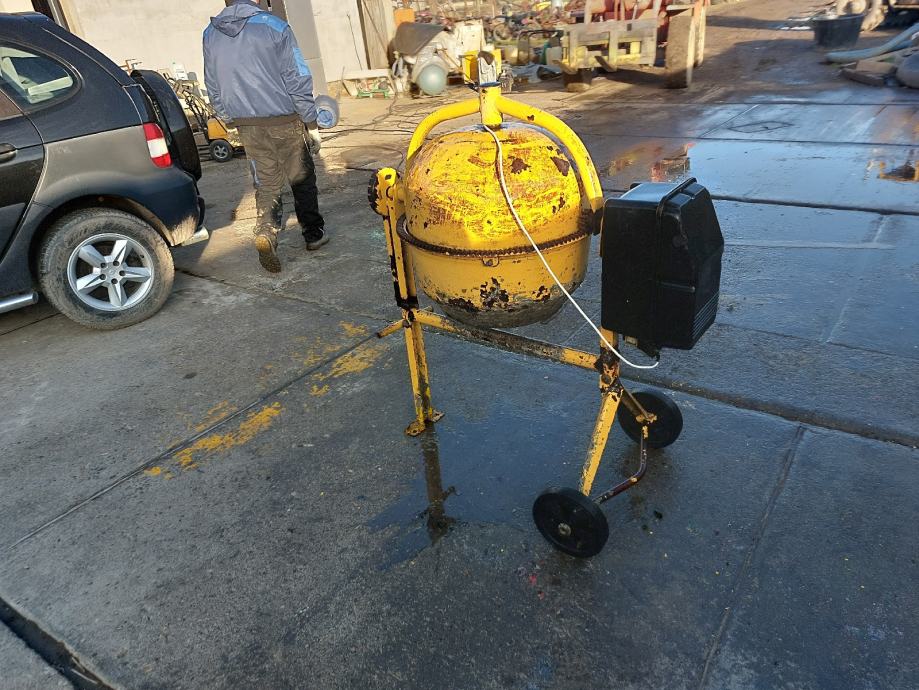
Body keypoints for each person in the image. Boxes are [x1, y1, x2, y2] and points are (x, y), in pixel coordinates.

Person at [203, 0, 328, 273]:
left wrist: (227, 117)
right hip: (284, 119)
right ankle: (313, 234)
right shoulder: (275, 26)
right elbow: (296, 76)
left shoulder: (211, 33)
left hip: (247, 123)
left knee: (267, 181)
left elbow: (211, 82)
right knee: (301, 177)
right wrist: (311, 121)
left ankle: (266, 231)